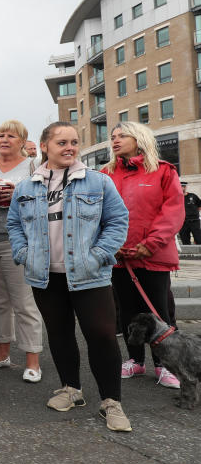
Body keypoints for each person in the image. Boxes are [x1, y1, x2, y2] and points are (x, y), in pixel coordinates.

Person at [7, 121, 131, 431]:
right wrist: (23, 255)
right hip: (46, 277)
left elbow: (117, 221)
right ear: (45, 145)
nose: (70, 147)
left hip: (89, 275)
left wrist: (99, 255)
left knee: (101, 336)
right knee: (60, 335)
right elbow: (13, 226)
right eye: (62, 142)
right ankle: (71, 389)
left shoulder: (98, 183)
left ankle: (111, 402)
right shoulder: (25, 187)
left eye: (74, 142)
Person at [103, 122, 184, 389]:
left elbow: (172, 211)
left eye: (121, 136)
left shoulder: (162, 171)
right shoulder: (105, 174)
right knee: (127, 311)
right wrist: (108, 244)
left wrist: (151, 243)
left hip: (153, 255)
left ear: (138, 139)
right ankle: (135, 360)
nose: (115, 140)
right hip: (120, 258)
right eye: (112, 137)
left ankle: (165, 365)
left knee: (158, 312)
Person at [0, 120, 44, 382]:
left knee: (24, 302)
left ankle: (33, 362)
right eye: (0, 135)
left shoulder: (33, 167)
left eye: (11, 136)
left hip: (17, 241)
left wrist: (18, 193)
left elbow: (44, 201)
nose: (4, 139)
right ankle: (2, 354)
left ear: (22, 142)